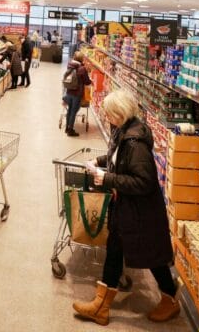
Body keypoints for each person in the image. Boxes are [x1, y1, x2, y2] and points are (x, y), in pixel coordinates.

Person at [73, 89, 179, 325]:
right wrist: (99, 162)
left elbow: (144, 181)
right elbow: (118, 158)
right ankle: (101, 306)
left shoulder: (135, 142)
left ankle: (170, 299)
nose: (105, 114)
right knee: (115, 249)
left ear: (119, 113)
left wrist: (107, 179)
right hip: (128, 209)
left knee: (150, 256)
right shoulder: (124, 131)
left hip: (139, 212)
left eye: (109, 112)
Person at [61, 51, 91, 136]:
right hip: (77, 93)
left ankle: (67, 128)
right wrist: (90, 81)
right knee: (73, 111)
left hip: (69, 91)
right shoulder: (82, 69)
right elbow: (86, 82)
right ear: (81, 59)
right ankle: (70, 130)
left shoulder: (70, 65)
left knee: (70, 110)